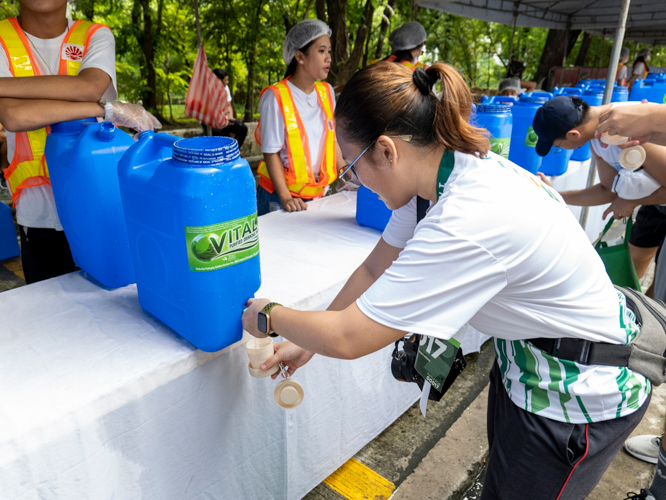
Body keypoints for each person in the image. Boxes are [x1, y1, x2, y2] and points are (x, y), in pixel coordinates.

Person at [242, 61, 651, 499]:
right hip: (527, 361)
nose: (354, 180)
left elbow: (348, 338)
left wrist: (270, 315)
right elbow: (373, 268)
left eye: (352, 166)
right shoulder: (440, 177)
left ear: (386, 150)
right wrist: (306, 339)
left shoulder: (465, 217)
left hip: (575, 392)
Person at [0, 0, 159, 285]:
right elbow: (14, 116)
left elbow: (89, 87)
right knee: (53, 316)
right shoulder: (2, 37)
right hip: (39, 213)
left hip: (99, 200)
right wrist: (106, 109)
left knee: (114, 302)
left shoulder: (95, 35)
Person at [595, 103, 666, 500]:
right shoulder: (606, 139)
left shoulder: (633, 125)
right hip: (654, 213)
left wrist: (653, 121)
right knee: (651, 302)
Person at [532, 96, 666, 281]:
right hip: (655, 201)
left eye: (558, 147)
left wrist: (631, 200)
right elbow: (608, 190)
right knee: (636, 265)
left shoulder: (629, 128)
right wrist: (556, 195)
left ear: (573, 134)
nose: (561, 150)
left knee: (662, 276)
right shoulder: (598, 136)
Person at [255, 19, 345, 215]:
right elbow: (271, 152)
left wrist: (347, 174)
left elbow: (333, 140)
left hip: (317, 194)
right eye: (321, 51)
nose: (329, 58)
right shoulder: (275, 96)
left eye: (329, 51)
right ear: (300, 57)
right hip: (281, 197)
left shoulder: (326, 91)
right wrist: (285, 196)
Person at [211, 68, 248, 148]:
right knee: (216, 132)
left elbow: (228, 105)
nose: (227, 82)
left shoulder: (226, 88)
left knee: (242, 128)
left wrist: (230, 117)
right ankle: (218, 156)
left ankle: (232, 152)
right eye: (225, 80)